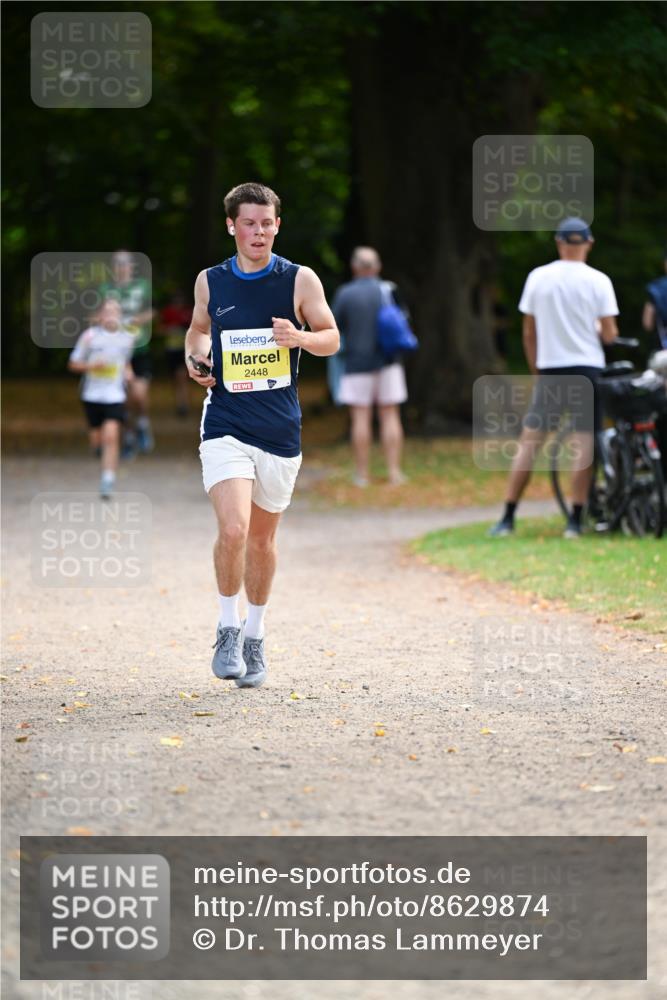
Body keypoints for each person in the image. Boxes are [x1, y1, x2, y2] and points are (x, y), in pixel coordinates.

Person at [185, 182, 339, 689]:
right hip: (226, 421)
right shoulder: (211, 281)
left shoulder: (299, 280)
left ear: (278, 224)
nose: (258, 231)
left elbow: (331, 338)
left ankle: (255, 635)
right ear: (231, 226)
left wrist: (299, 337)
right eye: (248, 223)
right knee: (233, 530)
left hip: (279, 428)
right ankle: (227, 627)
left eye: (267, 222)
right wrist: (198, 358)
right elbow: (198, 330)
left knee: (262, 541)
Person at [489, 217, 619, 539]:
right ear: (588, 243)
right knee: (583, 445)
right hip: (587, 369)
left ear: (559, 243)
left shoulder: (538, 278)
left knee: (530, 443)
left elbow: (529, 331)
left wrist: (537, 369)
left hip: (550, 369)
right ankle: (575, 520)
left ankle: (507, 516)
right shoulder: (599, 280)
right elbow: (609, 334)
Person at [331, 246, 408, 487]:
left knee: (360, 418)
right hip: (389, 361)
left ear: (354, 267)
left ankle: (362, 475)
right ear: (377, 267)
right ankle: (394, 472)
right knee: (390, 414)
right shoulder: (389, 290)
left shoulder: (345, 294)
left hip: (356, 363)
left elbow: (334, 328)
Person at [68, 298, 135, 499]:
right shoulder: (89, 337)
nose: (111, 315)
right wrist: (91, 367)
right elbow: (73, 364)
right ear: (100, 316)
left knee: (111, 437)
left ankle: (107, 479)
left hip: (115, 395)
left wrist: (128, 372)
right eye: (107, 311)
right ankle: (98, 449)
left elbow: (125, 362)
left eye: (115, 311)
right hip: (91, 395)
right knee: (97, 440)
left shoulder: (127, 338)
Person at [99, 250, 155, 454]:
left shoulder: (142, 287)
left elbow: (152, 310)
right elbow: (98, 314)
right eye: (117, 263)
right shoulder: (105, 289)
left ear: (131, 266)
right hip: (116, 350)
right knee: (122, 399)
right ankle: (129, 435)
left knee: (138, 395)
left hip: (139, 347)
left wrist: (137, 320)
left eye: (125, 263)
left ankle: (142, 422)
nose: (121, 267)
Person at [159, 291, 193, 417]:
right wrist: (170, 330)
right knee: (176, 379)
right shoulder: (167, 312)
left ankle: (183, 404)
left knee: (182, 376)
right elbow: (160, 329)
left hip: (184, 350)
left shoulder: (188, 313)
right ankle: (180, 403)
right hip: (171, 350)